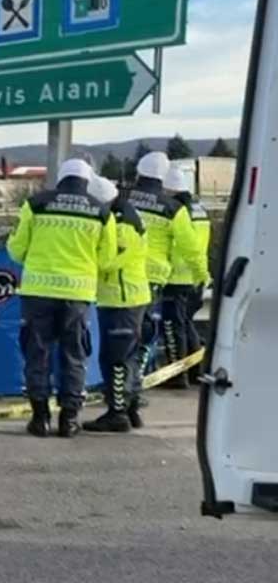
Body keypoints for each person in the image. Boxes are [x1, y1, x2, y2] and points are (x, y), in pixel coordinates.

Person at [8, 159, 118, 437]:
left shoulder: (35, 204)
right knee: (74, 356)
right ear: (86, 181)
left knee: (37, 353)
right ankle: (69, 420)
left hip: (37, 292)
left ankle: (40, 418)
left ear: (60, 178)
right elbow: (107, 260)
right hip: (77, 294)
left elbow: (17, 250)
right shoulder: (102, 212)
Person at [83, 175, 151, 433]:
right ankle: (130, 409)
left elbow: (110, 262)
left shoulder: (121, 224)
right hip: (129, 296)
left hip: (121, 298)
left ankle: (117, 413)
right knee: (128, 357)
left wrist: (86, 260)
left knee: (116, 359)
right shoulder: (126, 215)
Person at [125, 152, 200, 385]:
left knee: (123, 332)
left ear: (139, 172)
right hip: (158, 277)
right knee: (147, 331)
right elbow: (191, 247)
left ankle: (128, 384)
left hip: (124, 273)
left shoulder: (123, 201)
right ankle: (137, 381)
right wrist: (202, 274)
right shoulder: (175, 209)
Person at [160, 167, 212, 388]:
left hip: (176, 278)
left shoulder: (177, 210)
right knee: (187, 323)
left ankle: (176, 374)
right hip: (197, 277)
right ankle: (195, 371)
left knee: (173, 327)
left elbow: (177, 243)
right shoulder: (199, 209)